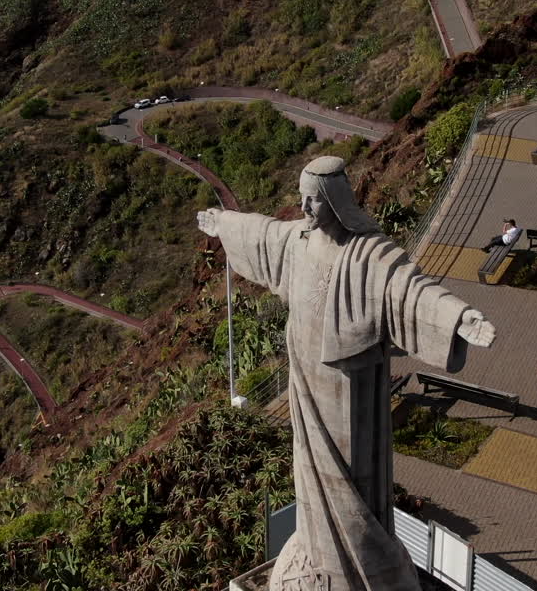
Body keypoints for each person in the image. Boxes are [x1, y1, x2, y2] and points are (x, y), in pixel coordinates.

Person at [197, 156, 495, 589]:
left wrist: (457, 318)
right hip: (304, 373)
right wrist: (223, 222)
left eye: (313, 201)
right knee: (307, 463)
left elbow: (409, 290)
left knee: (352, 475)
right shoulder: (299, 240)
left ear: (336, 202)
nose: (304, 209)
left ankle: (361, 567)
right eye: (301, 199)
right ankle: (317, 553)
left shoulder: (368, 256)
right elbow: (260, 233)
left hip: (348, 389)